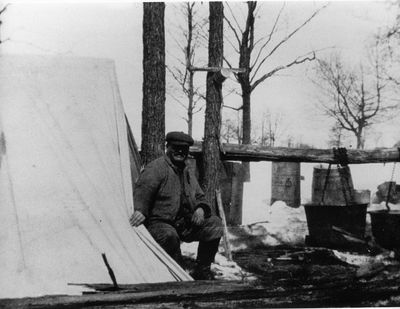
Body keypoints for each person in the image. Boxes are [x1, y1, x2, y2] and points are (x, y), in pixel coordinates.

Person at [129, 131, 223, 280]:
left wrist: (200, 209)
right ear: (168, 147)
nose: (180, 151)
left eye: (184, 149)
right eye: (176, 147)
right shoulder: (156, 168)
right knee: (169, 236)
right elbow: (143, 190)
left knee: (215, 224)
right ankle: (178, 274)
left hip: (184, 223)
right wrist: (141, 210)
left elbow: (200, 196)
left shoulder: (186, 171)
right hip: (160, 223)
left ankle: (202, 269)